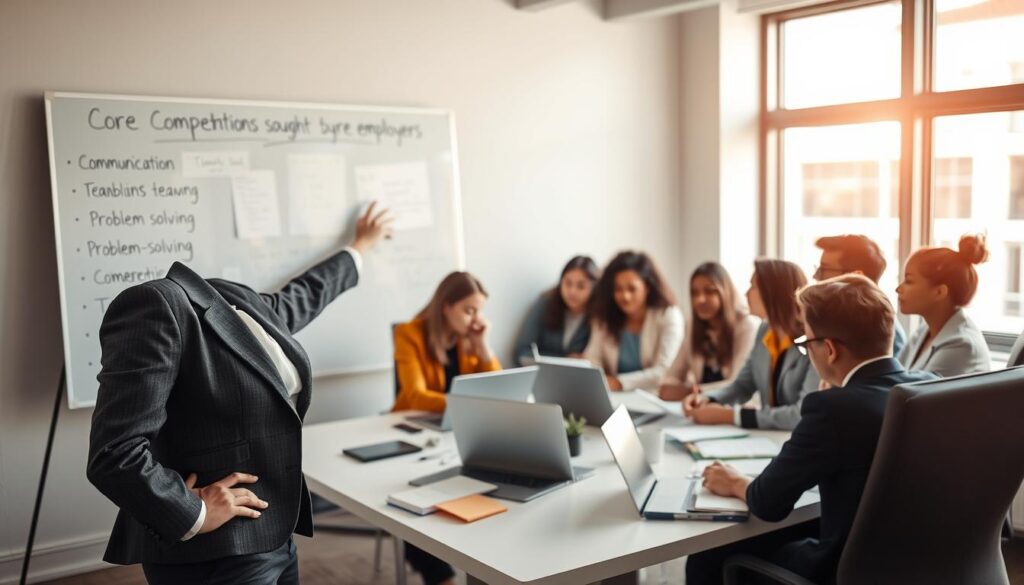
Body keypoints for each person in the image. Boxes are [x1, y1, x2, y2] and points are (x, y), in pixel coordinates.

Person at [86, 203, 392, 585]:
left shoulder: (238, 299)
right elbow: (114, 453)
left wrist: (358, 247)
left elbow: (305, 294)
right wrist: (194, 513)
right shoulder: (158, 304)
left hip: (275, 532)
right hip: (213, 548)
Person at [689, 274, 936, 584]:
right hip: (915, 562)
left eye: (806, 343)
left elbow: (768, 502)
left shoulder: (832, 410)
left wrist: (735, 482)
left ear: (829, 349)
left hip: (839, 569)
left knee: (705, 557)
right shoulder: (929, 387)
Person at [390, 271, 501, 585]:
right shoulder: (409, 334)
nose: (476, 319)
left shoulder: (469, 338)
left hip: (458, 430)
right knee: (416, 495)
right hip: (412, 427)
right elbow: (415, 395)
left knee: (477, 486)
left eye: (480, 311)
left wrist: (483, 348)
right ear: (445, 307)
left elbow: (497, 388)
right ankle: (440, 577)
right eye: (469, 310)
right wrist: (466, 403)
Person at [684, 259, 819, 430]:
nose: (746, 293)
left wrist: (732, 416)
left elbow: (800, 414)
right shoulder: (765, 330)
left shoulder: (813, 341)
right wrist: (708, 399)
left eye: (753, 286)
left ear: (773, 292)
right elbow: (743, 384)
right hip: (768, 437)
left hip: (796, 440)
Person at [582, 251, 683, 391]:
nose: (625, 296)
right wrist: (599, 380)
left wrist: (618, 383)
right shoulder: (604, 317)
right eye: (618, 289)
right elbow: (592, 358)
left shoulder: (668, 315)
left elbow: (664, 371)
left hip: (653, 397)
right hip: (613, 397)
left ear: (647, 287)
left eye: (632, 289)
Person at [657, 262, 759, 399]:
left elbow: (738, 385)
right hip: (699, 411)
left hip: (729, 410)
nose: (700, 299)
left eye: (710, 291)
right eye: (695, 293)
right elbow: (669, 379)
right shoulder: (692, 326)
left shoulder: (747, 326)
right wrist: (674, 389)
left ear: (726, 292)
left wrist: (692, 391)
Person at [896, 234, 992, 377]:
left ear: (939, 292)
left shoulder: (962, 345)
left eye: (909, 281)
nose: (898, 289)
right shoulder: (924, 331)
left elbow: (915, 395)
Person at [813, 234, 906, 355]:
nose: (815, 276)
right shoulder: (839, 322)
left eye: (824, 269)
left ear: (856, 276)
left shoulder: (882, 336)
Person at [513, 255, 599, 366]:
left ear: (594, 289)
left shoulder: (598, 317)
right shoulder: (545, 303)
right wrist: (566, 360)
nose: (572, 291)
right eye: (568, 283)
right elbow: (521, 353)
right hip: (542, 378)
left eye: (581, 286)